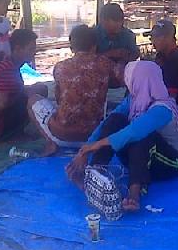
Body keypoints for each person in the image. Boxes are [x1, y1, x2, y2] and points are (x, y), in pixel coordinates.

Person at [65, 61, 178, 212]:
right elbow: (109, 122)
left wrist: (95, 146)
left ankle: (134, 192)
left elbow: (134, 132)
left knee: (142, 134)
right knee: (116, 120)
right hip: (142, 158)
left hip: (171, 164)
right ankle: (96, 172)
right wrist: (84, 150)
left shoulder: (163, 109)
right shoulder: (134, 99)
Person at [28, 25, 121, 155]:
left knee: (32, 100)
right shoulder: (105, 64)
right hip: (94, 137)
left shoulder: (60, 67)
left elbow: (59, 100)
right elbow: (121, 80)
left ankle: (50, 142)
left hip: (62, 135)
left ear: (72, 47)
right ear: (94, 46)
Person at [0, 29, 48, 141]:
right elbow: (2, 104)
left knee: (38, 88)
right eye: (31, 49)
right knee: (38, 93)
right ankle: (17, 133)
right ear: (18, 49)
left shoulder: (9, 64)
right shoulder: (7, 70)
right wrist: (26, 94)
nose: (34, 52)